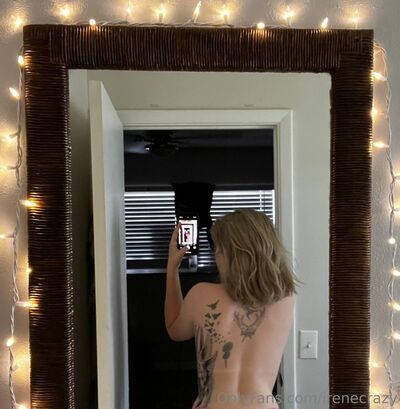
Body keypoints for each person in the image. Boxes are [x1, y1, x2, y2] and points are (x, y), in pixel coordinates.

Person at [164, 209, 300, 409]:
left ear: (230, 253)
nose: (215, 255)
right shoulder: (285, 297)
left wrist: (172, 269)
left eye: (218, 248)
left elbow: (175, 330)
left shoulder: (200, 294)